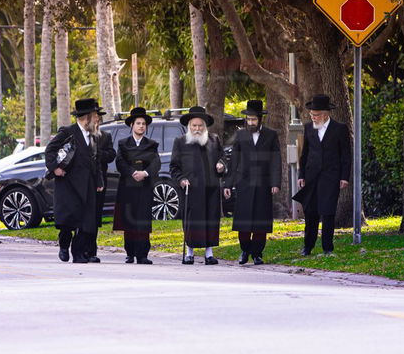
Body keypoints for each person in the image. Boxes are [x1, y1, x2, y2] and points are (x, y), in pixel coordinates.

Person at [45, 98, 112, 263]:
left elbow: (95, 161)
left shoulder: (93, 137)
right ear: (87, 117)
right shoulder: (67, 132)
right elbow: (50, 150)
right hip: (68, 185)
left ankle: (79, 254)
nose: (98, 119)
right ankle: (64, 244)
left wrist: (99, 182)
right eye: (95, 116)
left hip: (88, 185)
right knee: (68, 222)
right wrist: (55, 168)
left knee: (85, 222)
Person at [224, 98, 282, 265]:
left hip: (264, 184)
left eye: (253, 119)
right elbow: (234, 161)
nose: (250, 122)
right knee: (243, 221)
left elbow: (276, 160)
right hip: (244, 183)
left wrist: (275, 183)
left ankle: (257, 254)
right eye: (248, 119)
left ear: (260, 119)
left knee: (260, 222)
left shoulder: (271, 135)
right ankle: (244, 251)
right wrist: (228, 184)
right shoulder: (240, 135)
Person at [295, 94, 351, 256]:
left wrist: (344, 177)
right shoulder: (308, 128)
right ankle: (308, 246)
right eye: (311, 114)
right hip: (311, 176)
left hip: (331, 176)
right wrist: (301, 175)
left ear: (326, 114)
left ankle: (327, 247)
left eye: (316, 114)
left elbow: (345, 155)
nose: (313, 117)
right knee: (310, 212)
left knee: (328, 212)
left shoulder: (340, 129)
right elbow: (304, 154)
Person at [169, 105, 225, 265]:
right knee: (192, 222)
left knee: (210, 220)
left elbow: (223, 158)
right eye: (194, 125)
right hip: (191, 189)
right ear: (189, 126)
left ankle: (209, 254)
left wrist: (221, 165)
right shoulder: (180, 142)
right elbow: (174, 167)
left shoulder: (214, 140)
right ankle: (189, 253)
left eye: (200, 125)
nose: (197, 129)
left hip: (211, 188)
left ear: (205, 126)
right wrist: (181, 179)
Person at [113, 107, 160, 264]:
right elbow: (120, 162)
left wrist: (145, 173)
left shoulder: (152, 144)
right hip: (128, 187)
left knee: (143, 220)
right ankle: (130, 253)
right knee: (129, 220)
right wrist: (133, 172)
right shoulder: (123, 144)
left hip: (145, 187)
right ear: (132, 125)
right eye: (138, 123)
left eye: (143, 124)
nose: (141, 126)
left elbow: (156, 162)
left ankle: (142, 255)